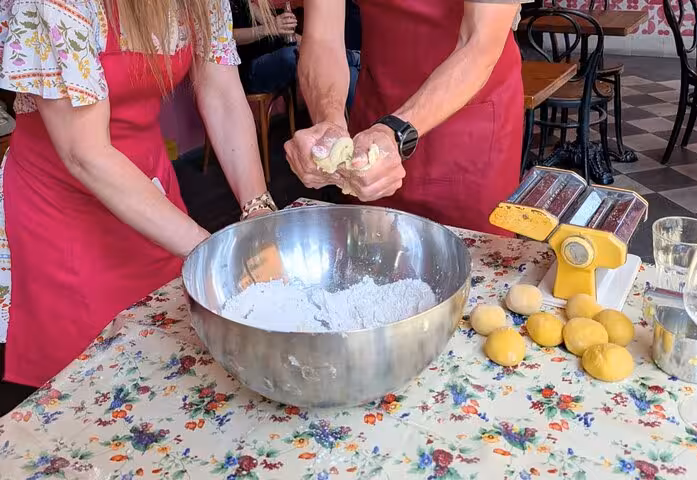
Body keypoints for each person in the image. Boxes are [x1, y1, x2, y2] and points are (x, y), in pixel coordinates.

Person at [0, 0, 278, 388]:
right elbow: (85, 154)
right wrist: (216, 254)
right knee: (92, 386)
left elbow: (221, 93)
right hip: (63, 212)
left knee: (172, 365)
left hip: (154, 199)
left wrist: (258, 213)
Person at [284, 0, 526, 234]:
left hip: (470, 126)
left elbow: (479, 43)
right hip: (375, 116)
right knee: (371, 253)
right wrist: (329, 121)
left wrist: (393, 129)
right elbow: (322, 37)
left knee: (471, 259)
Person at [229, 0, 361, 108]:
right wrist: (269, 28)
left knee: (347, 70)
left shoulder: (247, 4)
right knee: (292, 56)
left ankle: (350, 59)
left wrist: (310, 43)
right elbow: (227, 38)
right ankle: (353, 58)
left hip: (272, 55)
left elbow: (273, 26)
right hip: (246, 72)